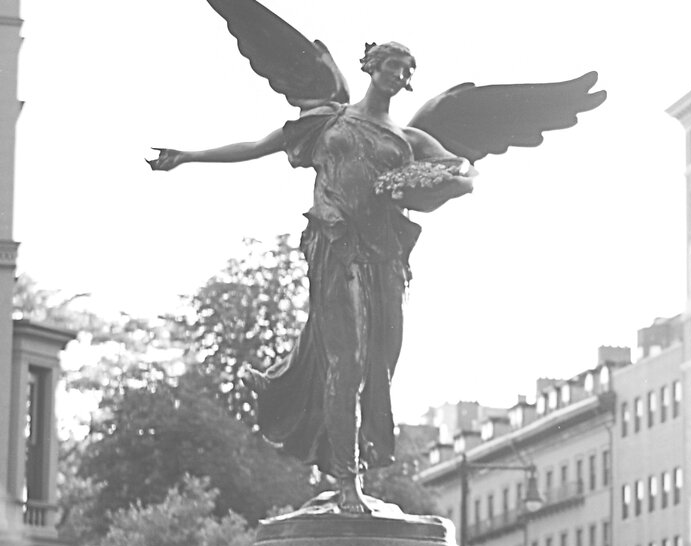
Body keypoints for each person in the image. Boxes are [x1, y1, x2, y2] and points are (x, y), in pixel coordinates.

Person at [149, 38, 474, 514]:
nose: (398, 76)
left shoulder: (410, 141)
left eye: (406, 71)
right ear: (370, 66)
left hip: (383, 258)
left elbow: (464, 174)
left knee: (378, 366)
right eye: (390, 65)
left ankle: (312, 414)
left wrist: (428, 184)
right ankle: (347, 485)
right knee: (348, 360)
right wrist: (191, 155)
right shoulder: (330, 120)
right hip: (335, 246)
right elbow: (258, 146)